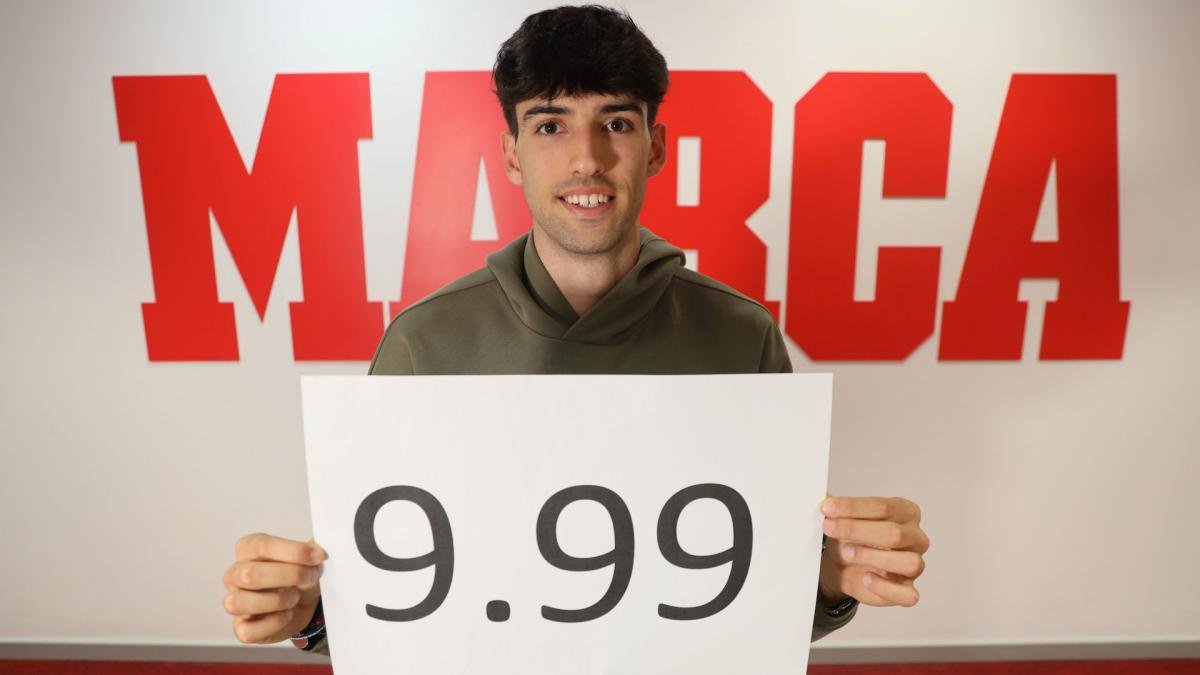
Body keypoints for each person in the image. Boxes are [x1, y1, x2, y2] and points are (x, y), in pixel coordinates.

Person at [221, 4, 930, 655]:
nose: (587, 159)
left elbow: (753, 600)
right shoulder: (422, 342)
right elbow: (398, 597)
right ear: (512, 154)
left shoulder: (741, 336)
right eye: (550, 125)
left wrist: (832, 578)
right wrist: (311, 610)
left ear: (655, 147)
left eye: (616, 123)